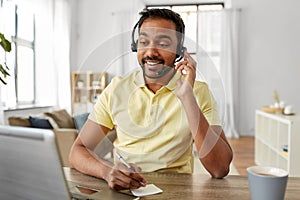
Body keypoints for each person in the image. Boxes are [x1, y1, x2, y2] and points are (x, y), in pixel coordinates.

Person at [69, 8, 233, 191]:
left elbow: (219, 168)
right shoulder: (116, 89)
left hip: (177, 190)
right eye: (144, 42)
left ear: (179, 51)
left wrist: (187, 97)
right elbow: (78, 150)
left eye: (163, 43)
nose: (151, 52)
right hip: (125, 190)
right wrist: (107, 171)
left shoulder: (198, 92)